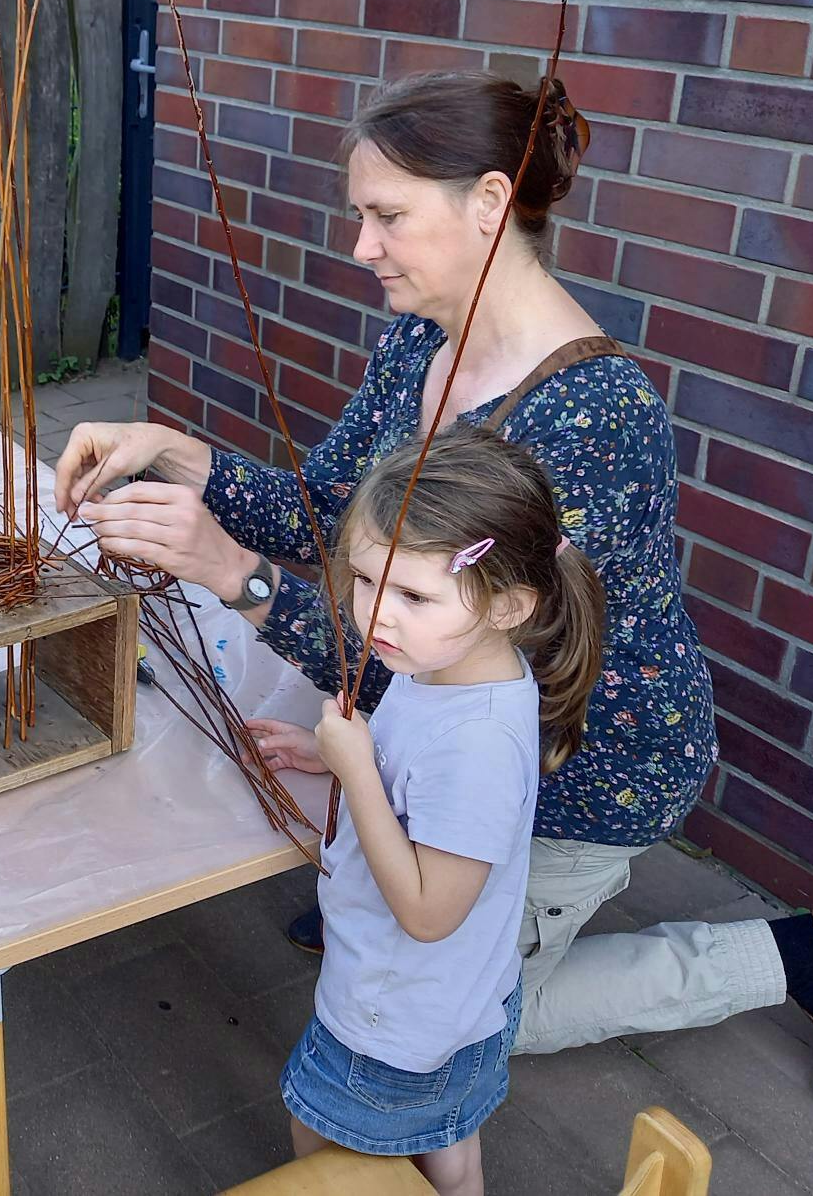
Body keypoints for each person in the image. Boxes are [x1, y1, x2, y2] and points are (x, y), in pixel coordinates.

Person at [59, 70, 813, 1118]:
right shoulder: (422, 333)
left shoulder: (590, 417)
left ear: (490, 204)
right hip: (441, 726)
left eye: (385, 216)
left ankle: (806, 955)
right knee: (402, 951)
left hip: (581, 765)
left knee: (456, 1026)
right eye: (358, 215)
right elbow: (331, 513)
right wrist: (185, 460)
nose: (359, 246)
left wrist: (235, 576)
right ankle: (404, 886)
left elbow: (458, 664)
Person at [250, 428, 603, 1195]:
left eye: (412, 594)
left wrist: (358, 775)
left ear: (508, 604)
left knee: (320, 1137)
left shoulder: (476, 744)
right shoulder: (447, 665)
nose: (376, 614)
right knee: (449, 1143)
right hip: (460, 1007)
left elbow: (429, 910)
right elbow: (422, 778)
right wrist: (355, 755)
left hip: (396, 1022)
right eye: (368, 580)